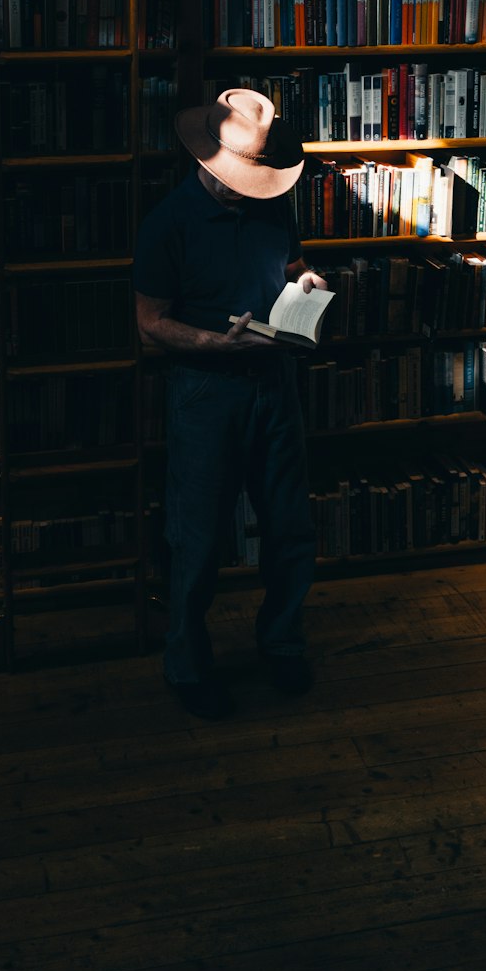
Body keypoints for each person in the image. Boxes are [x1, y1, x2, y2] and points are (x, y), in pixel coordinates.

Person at [133, 87, 327, 720]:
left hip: (273, 381)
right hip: (205, 389)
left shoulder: (271, 204)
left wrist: (305, 280)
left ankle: (281, 642)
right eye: (240, 175)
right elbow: (149, 325)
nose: (250, 186)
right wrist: (215, 343)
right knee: (198, 537)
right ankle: (187, 665)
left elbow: (290, 260)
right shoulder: (169, 222)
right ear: (209, 161)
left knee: (290, 526)